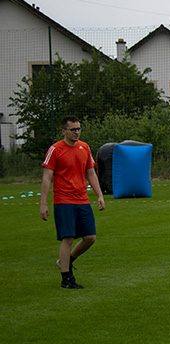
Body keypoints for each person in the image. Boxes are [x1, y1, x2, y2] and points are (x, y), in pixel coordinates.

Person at [40, 116, 105, 289]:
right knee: (67, 238)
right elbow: (47, 177)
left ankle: (66, 261)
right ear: (63, 131)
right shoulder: (55, 149)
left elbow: (90, 173)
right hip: (63, 200)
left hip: (82, 199)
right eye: (73, 129)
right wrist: (43, 204)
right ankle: (66, 279)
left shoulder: (84, 147)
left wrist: (99, 195)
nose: (77, 132)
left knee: (90, 238)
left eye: (78, 129)